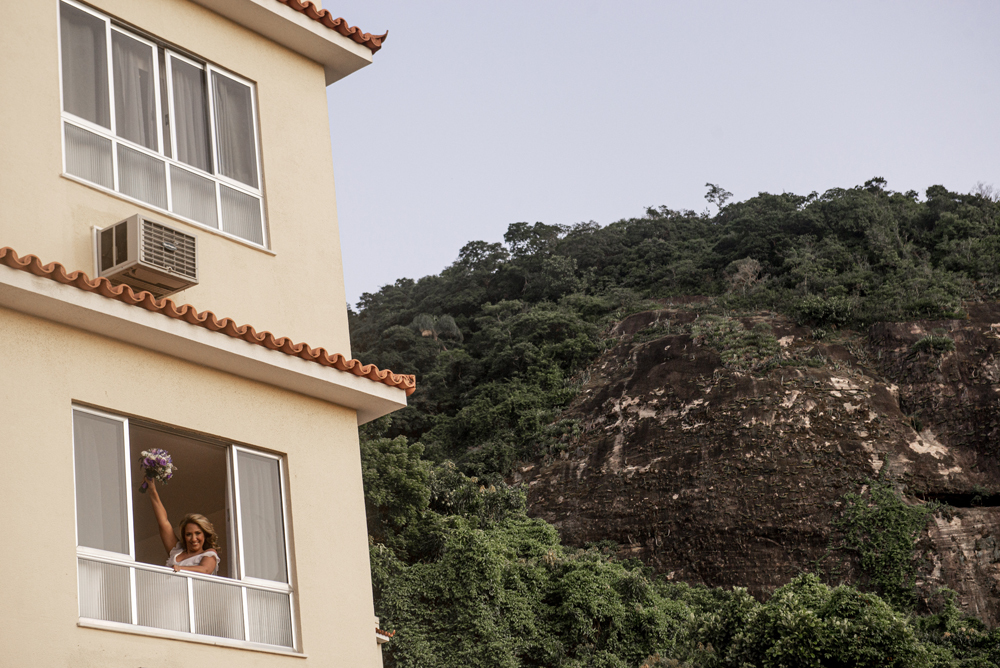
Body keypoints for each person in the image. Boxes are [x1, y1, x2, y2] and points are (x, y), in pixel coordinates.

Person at [144, 477, 220, 576]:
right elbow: (163, 522)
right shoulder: (177, 552)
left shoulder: (209, 553)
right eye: (189, 534)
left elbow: (205, 569)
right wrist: (152, 490)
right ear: (184, 536)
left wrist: (179, 568)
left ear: (205, 535)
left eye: (198, 533)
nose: (193, 539)